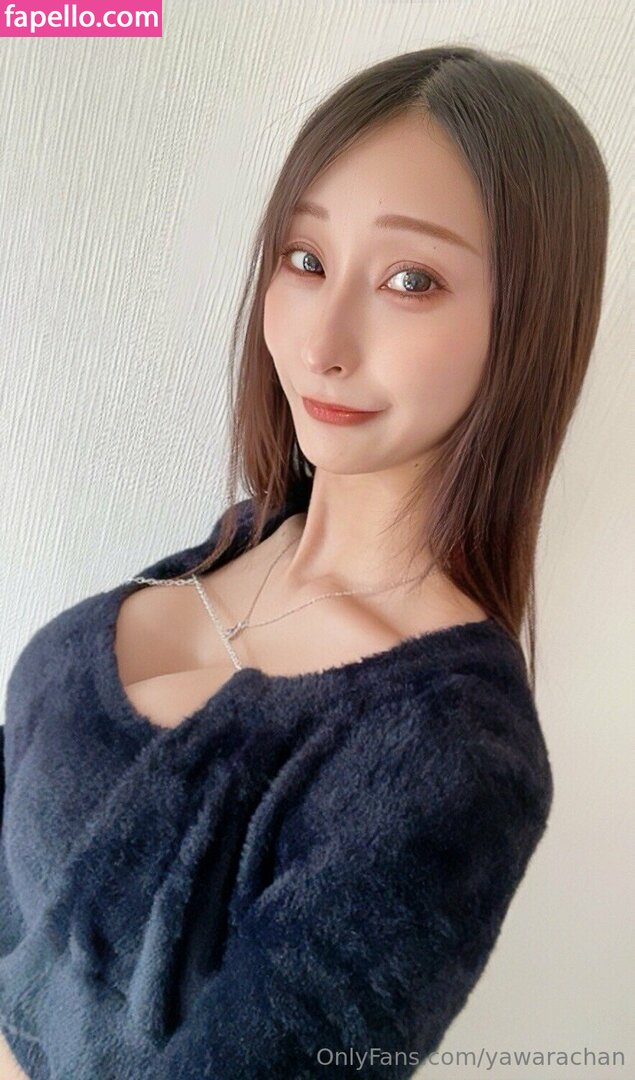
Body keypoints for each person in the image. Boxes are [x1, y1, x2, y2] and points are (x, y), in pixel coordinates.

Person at [0, 44, 609, 1080]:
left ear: (523, 325)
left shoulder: (457, 755)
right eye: (305, 258)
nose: (323, 341)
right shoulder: (236, 541)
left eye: (410, 280)